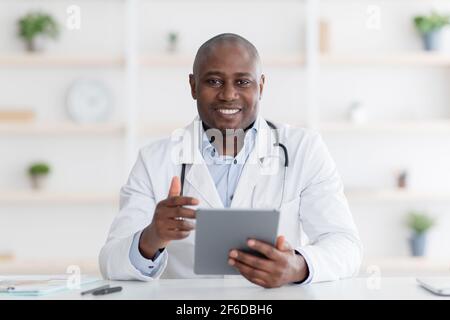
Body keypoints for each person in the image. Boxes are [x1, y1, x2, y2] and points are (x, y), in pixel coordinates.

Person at [99, 33, 362, 288]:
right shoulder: (154, 160)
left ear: (261, 86)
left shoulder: (303, 149)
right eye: (213, 81)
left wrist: (298, 266)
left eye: (242, 82)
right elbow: (111, 261)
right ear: (193, 86)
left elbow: (345, 245)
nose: (228, 94)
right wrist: (150, 238)